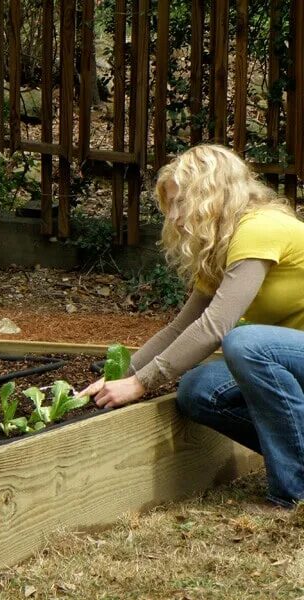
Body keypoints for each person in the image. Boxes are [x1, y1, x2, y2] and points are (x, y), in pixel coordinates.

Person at [79, 144, 304, 508]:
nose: (177, 218)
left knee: (245, 344)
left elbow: (216, 326)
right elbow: (181, 326)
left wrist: (141, 384)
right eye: (170, 207)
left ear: (212, 193)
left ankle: (291, 493)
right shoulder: (221, 246)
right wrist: (124, 372)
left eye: (182, 203)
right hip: (294, 359)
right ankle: (297, 457)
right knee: (197, 389)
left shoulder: (260, 228)